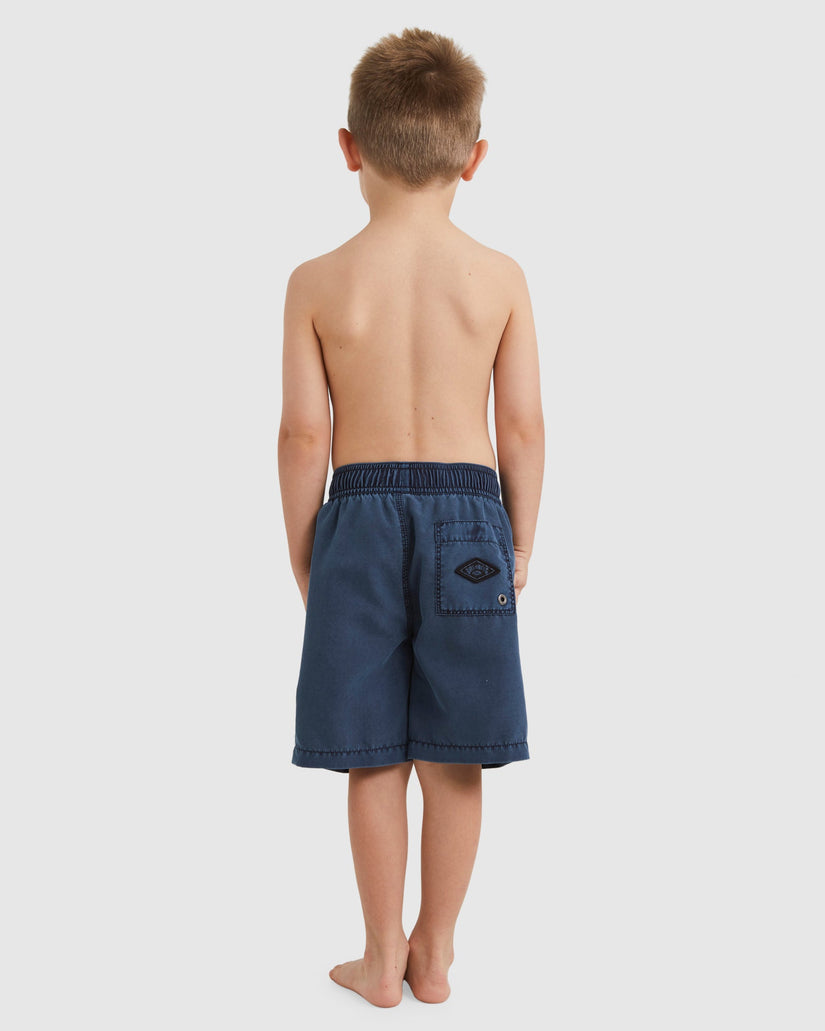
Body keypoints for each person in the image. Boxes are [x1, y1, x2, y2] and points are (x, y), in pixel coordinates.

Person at [278, 26, 544, 1008]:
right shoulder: (500, 277)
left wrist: (307, 551)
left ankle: (378, 953)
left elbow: (304, 434)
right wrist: (521, 539)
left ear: (349, 146)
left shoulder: (317, 281)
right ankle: (435, 952)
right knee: (455, 753)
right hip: (472, 518)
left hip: (358, 513)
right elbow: (522, 424)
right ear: (475, 158)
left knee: (372, 751)